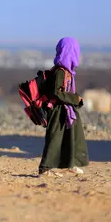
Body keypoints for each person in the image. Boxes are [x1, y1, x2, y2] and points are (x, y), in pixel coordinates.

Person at [39, 37, 89, 177]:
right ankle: (44, 168)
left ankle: (71, 163)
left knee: (72, 136)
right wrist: (75, 99)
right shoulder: (60, 71)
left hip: (66, 110)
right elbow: (56, 93)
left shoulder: (67, 71)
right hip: (57, 110)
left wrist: (74, 100)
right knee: (55, 138)